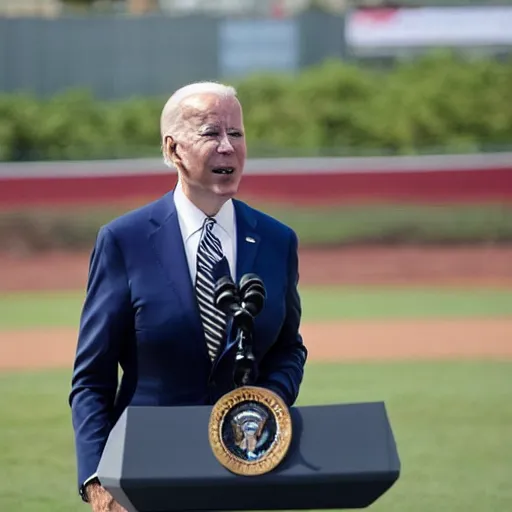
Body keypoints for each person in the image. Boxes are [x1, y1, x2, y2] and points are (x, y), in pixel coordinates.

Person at [68, 81, 308, 511]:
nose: (227, 147)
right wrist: (97, 481)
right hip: (145, 475)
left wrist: (268, 404)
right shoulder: (125, 241)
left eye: (236, 133)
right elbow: (92, 378)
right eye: (211, 133)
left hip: (247, 470)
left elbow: (288, 348)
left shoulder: (277, 240)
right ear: (174, 149)